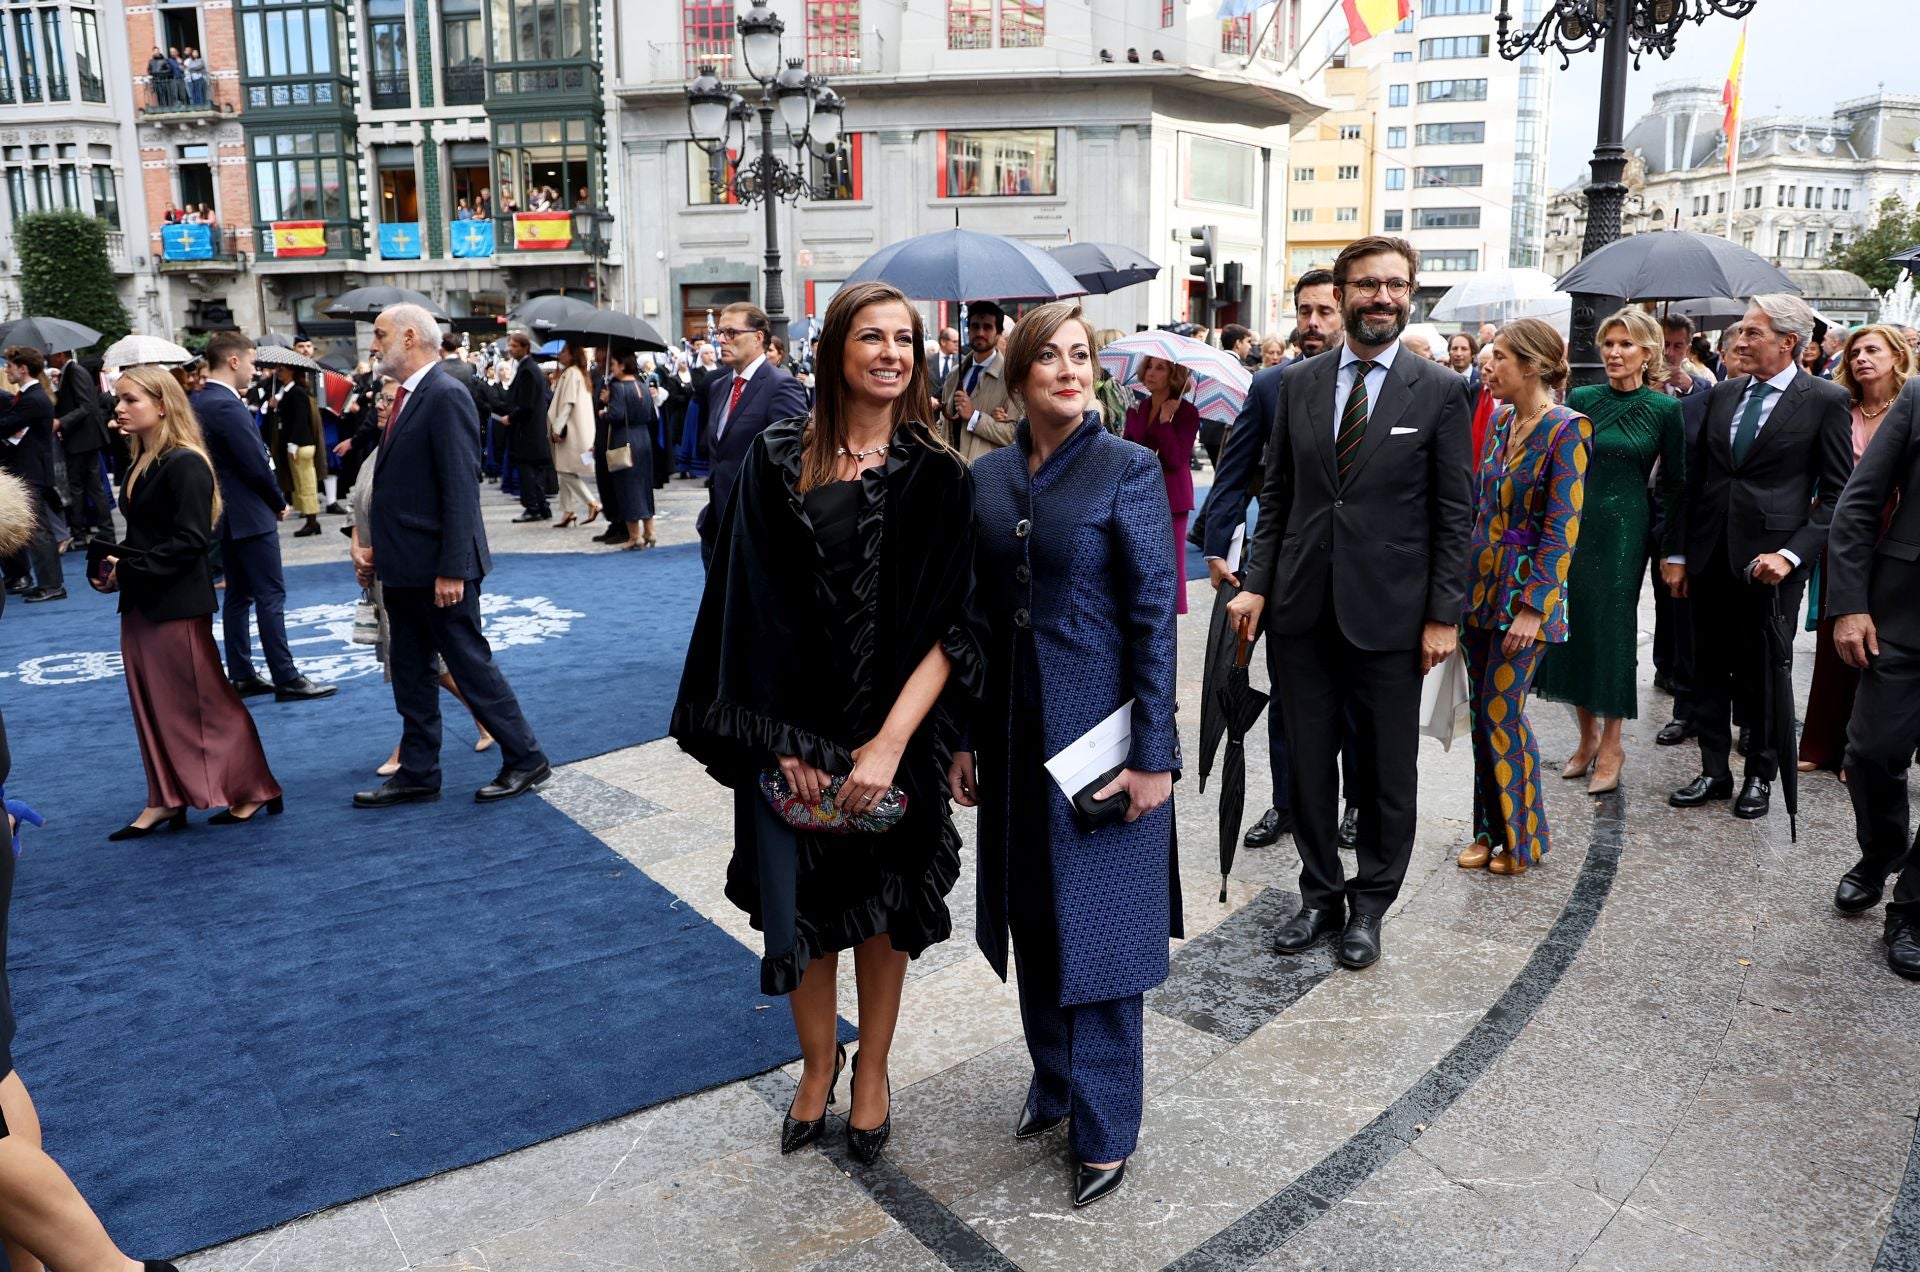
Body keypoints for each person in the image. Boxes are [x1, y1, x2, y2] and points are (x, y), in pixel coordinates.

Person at [671, 281, 981, 1168]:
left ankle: (873, 1071)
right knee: (800, 910)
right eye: (873, 337)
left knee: (885, 912)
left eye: (906, 341)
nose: (891, 353)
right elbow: (740, 607)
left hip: (898, 740)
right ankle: (818, 1064)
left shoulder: (940, 473)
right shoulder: (776, 458)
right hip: (787, 736)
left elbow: (957, 628)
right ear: (836, 348)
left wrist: (887, 748)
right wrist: (778, 739)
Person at [956, 299, 1178, 1209]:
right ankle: (1055, 1082)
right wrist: (965, 736)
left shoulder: (1125, 468)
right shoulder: (992, 478)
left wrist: (1156, 754)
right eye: (1048, 356)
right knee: (1032, 913)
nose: (1068, 369)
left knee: (1103, 931)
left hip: (1101, 736)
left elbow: (1154, 618)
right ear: (1018, 377)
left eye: (1081, 355)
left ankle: (1106, 1125)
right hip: (1012, 728)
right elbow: (973, 613)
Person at [1227, 236, 1473, 971]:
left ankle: (1370, 906)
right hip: (1301, 612)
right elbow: (1277, 498)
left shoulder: (1439, 389)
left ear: (1411, 294)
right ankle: (1319, 895)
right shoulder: (1296, 384)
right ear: (1341, 293)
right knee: (1306, 766)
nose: (1383, 298)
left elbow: (1454, 512)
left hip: (1394, 618)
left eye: (1396, 285)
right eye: (1368, 285)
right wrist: (1257, 586)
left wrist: (1442, 615)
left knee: (1388, 772)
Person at [1663, 294, 1853, 821]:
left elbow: (1838, 494)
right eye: (1740, 332)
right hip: (1707, 557)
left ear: (1788, 342)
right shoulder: (1722, 395)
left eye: (1752, 332)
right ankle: (1714, 771)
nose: (1739, 341)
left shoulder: (1823, 401)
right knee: (1706, 668)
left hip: (1772, 567)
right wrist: (1677, 552)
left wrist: (1791, 555)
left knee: (1764, 673)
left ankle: (1760, 777)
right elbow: (1693, 482)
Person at [354, 304, 550, 809]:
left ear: (411, 337)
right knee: (412, 673)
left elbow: (460, 489)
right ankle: (419, 771)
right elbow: (404, 486)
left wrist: (452, 568)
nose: (374, 345)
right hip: (403, 565)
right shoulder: (409, 397)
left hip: (439, 570)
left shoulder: (444, 395)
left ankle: (525, 758)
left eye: (380, 335)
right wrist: (380, 546)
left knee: (468, 664)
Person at [93, 366, 282, 838]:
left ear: (163, 405)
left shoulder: (186, 462)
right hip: (143, 601)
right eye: (119, 399)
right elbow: (150, 536)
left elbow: (191, 541)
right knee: (152, 705)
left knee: (205, 702)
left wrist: (130, 568)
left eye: (130, 399)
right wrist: (114, 567)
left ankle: (257, 786)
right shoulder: (141, 459)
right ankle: (166, 798)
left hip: (176, 604)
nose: (119, 408)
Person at [1203, 269, 1349, 852]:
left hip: (1361, 572)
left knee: (1359, 700)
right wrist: (1217, 548)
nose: (1312, 323)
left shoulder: (1385, 389)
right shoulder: (1270, 386)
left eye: (1324, 311)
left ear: (1344, 312)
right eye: (1303, 311)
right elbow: (1234, 469)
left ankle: (1356, 804)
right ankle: (1287, 801)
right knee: (1287, 695)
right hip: (1286, 568)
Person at [1456, 320, 1591, 875]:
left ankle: (1524, 838)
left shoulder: (1569, 429)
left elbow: (1564, 526)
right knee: (1483, 718)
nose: (1488, 368)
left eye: (1500, 358)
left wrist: (1534, 607)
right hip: (1479, 591)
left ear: (1533, 365)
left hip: (1524, 599)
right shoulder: (1502, 421)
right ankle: (1487, 832)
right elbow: (1481, 507)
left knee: (1501, 713)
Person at [1533, 308, 1684, 795]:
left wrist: (1673, 551)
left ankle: (1613, 744)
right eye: (1608, 343)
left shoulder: (1665, 409)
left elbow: (1676, 487)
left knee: (1614, 632)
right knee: (1573, 626)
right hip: (1573, 524)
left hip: (1624, 529)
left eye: (1625, 344)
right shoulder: (1581, 398)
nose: (1614, 353)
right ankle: (1587, 736)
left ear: (1648, 353)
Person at [350, 379, 493, 774]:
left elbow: (455, 498)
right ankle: (478, 728)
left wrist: (451, 569)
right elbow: (360, 509)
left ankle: (418, 749)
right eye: (379, 398)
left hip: (416, 571)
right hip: (386, 573)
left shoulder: (423, 435)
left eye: (390, 398)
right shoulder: (372, 456)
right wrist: (357, 549)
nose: (381, 405)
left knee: (430, 664)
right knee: (419, 664)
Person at [1829, 378, 1920, 976]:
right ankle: (1883, 849)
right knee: (1869, 752)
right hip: (1904, 612)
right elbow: (1860, 501)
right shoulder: (1916, 397)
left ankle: (1913, 908)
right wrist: (1850, 603)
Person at [193, 333, 335, 703]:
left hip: (228, 512)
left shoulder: (203, 400)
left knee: (240, 595)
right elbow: (255, 463)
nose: (256, 369)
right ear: (234, 361)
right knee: (270, 594)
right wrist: (276, 500)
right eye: (253, 362)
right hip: (249, 511)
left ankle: (242, 673)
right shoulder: (224, 405)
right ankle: (285, 676)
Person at [1799, 325, 1912, 773]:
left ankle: (1860, 748)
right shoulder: (1839, 408)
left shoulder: (1909, 407)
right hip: (1844, 530)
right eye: (1855, 351)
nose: (1862, 357)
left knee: (1883, 637)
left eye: (1872, 350)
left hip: (1896, 529)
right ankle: (1821, 744)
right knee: (1836, 631)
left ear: (1897, 356)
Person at [697, 302, 808, 569]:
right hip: (718, 522)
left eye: (731, 333)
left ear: (758, 337)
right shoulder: (720, 386)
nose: (721, 339)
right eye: (720, 333)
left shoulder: (781, 386)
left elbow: (794, 461)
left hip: (758, 527)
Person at [1123, 356, 1202, 615]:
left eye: (1160, 368)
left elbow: (1177, 459)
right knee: (1139, 556)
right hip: (1139, 493)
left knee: (1171, 560)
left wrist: (1165, 423)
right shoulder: (1137, 408)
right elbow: (1128, 451)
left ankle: (1170, 614)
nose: (1150, 372)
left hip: (1173, 497)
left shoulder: (1187, 413)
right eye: (1149, 366)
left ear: (1173, 375)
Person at [3, 349, 63, 602]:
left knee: (38, 531)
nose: (7, 370)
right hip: (31, 470)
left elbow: (5, 425)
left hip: (32, 472)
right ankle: (49, 583)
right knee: (38, 530)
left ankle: (52, 585)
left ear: (23, 368)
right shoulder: (31, 396)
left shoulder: (33, 398)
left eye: (10, 366)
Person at [937, 301, 1015, 462]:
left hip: (985, 476)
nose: (980, 332)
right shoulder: (954, 375)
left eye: (987, 327)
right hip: (950, 471)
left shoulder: (1011, 378)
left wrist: (974, 416)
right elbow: (942, 422)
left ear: (998, 332)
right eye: (975, 326)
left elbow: (1013, 435)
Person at [50, 351, 110, 547]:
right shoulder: (72, 372)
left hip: (82, 440)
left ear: (60, 355)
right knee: (91, 487)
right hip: (85, 439)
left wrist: (61, 422)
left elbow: (85, 406)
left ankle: (84, 532)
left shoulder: (74, 372)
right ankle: (97, 531)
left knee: (82, 487)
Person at [596, 350, 655, 550]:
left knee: (627, 486)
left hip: (625, 439)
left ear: (622, 365)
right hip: (643, 438)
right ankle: (649, 531)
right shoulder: (642, 385)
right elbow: (650, 414)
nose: (610, 368)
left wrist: (604, 410)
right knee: (645, 484)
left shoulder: (619, 388)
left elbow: (617, 415)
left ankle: (634, 536)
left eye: (612, 364)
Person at [546, 342, 600, 529]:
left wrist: (557, 428)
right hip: (580, 429)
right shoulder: (581, 374)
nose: (559, 355)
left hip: (570, 431)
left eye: (563, 352)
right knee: (566, 469)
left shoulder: (571, 373)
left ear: (572, 354)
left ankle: (592, 502)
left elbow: (567, 403)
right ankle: (568, 511)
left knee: (564, 470)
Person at [504, 332, 554, 524]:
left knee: (527, 470)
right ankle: (541, 506)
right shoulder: (529, 368)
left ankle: (533, 507)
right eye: (510, 345)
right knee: (534, 470)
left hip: (527, 430)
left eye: (514, 346)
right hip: (531, 429)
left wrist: (511, 417)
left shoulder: (527, 370)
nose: (510, 349)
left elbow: (526, 404)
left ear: (525, 347)